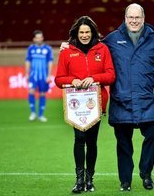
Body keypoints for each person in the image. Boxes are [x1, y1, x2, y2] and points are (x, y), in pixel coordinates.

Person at [55, 16, 115, 193]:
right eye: (81, 32)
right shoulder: (67, 51)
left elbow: (110, 75)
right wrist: (73, 80)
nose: (84, 35)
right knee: (79, 139)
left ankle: (90, 179)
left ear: (93, 32)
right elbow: (59, 79)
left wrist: (93, 78)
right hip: (75, 105)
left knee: (92, 141)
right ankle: (79, 180)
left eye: (87, 32)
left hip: (95, 103)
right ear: (76, 33)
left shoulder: (102, 49)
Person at [103, 3, 154, 191]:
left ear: (143, 18)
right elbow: (93, 51)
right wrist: (71, 45)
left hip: (148, 100)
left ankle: (146, 172)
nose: (134, 21)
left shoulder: (153, 38)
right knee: (123, 144)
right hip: (121, 101)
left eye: (137, 18)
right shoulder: (111, 39)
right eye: (130, 17)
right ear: (125, 18)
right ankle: (125, 181)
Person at [25, 30, 53, 122]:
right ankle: (33, 113)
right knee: (31, 91)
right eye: (37, 37)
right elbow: (28, 61)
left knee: (42, 93)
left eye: (41, 37)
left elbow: (50, 62)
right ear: (34, 39)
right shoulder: (31, 48)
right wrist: (27, 73)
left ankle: (41, 115)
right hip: (33, 75)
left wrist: (49, 75)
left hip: (44, 76)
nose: (39, 39)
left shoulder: (48, 49)